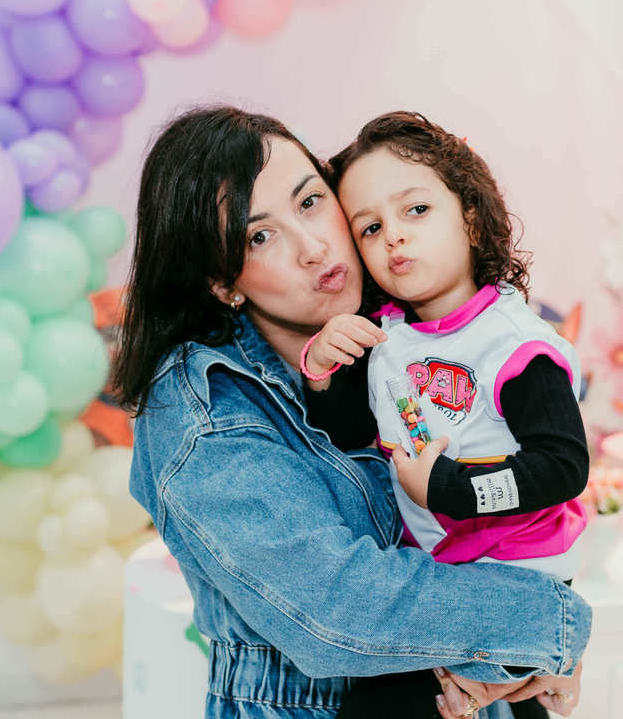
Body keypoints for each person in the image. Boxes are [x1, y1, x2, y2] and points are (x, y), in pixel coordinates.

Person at [113, 106, 590, 719]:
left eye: (310, 202)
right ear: (222, 282)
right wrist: (551, 624)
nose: (314, 248)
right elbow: (340, 608)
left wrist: (535, 662)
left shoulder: (408, 334)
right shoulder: (205, 410)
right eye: (260, 236)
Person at [298, 113, 590, 719]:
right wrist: (324, 377)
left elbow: (564, 466)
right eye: (371, 227)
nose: (394, 238)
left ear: (473, 217)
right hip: (437, 574)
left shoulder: (512, 346)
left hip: (518, 576)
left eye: (416, 211)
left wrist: (454, 490)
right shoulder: (390, 339)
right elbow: (354, 436)